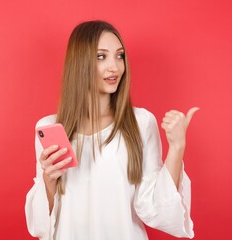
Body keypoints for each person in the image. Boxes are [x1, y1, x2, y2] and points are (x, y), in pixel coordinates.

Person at [25, 20, 198, 240]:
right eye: (101, 56)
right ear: (79, 63)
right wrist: (49, 182)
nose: (115, 67)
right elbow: (41, 225)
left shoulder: (140, 122)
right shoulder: (48, 127)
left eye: (119, 55)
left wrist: (177, 147)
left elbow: (154, 208)